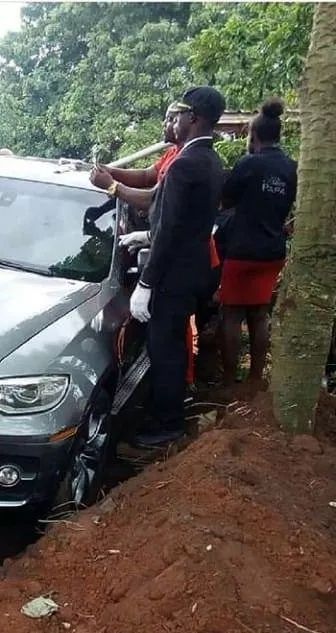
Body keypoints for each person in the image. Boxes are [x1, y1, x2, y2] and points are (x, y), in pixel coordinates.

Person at [129, 86, 225, 446]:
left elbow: (169, 228)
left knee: (165, 348)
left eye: (177, 115)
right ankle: (169, 411)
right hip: (194, 266)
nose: (172, 121)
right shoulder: (209, 160)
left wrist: (146, 283)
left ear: (194, 118)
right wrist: (146, 237)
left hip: (176, 272)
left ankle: (166, 424)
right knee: (172, 346)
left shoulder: (185, 164)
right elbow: (181, 221)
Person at [219, 98, 297, 387]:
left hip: (242, 250)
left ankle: (229, 380)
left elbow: (225, 200)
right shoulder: (292, 168)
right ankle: (254, 380)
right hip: (273, 250)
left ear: (254, 136)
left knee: (231, 314)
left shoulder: (248, 163)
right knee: (259, 314)